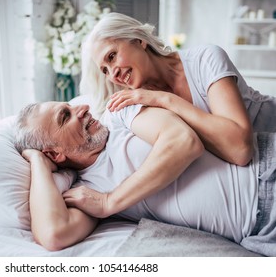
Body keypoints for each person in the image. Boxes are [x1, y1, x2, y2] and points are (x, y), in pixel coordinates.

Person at [14, 101, 276, 256]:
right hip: (259, 234)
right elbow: (54, 234)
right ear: (54, 154)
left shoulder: (120, 115)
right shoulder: (87, 191)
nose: (82, 108)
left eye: (70, 106)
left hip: (265, 169)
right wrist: (37, 162)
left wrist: (110, 202)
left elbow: (184, 142)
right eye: (66, 116)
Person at [79, 12, 276, 166]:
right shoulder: (140, 105)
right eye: (105, 70)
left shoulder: (205, 59)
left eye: (112, 56)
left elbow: (240, 150)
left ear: (139, 40)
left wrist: (165, 100)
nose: (113, 74)